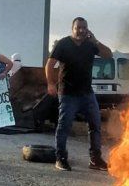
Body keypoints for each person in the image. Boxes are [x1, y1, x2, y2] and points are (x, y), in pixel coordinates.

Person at [45, 17, 112, 172]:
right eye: (78, 28)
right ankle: (60, 158)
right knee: (64, 126)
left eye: (84, 28)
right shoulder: (63, 44)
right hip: (68, 93)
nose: (81, 30)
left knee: (95, 125)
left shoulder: (90, 45)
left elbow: (108, 55)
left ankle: (95, 159)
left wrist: (95, 41)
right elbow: (50, 64)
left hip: (87, 93)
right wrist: (50, 83)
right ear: (72, 28)